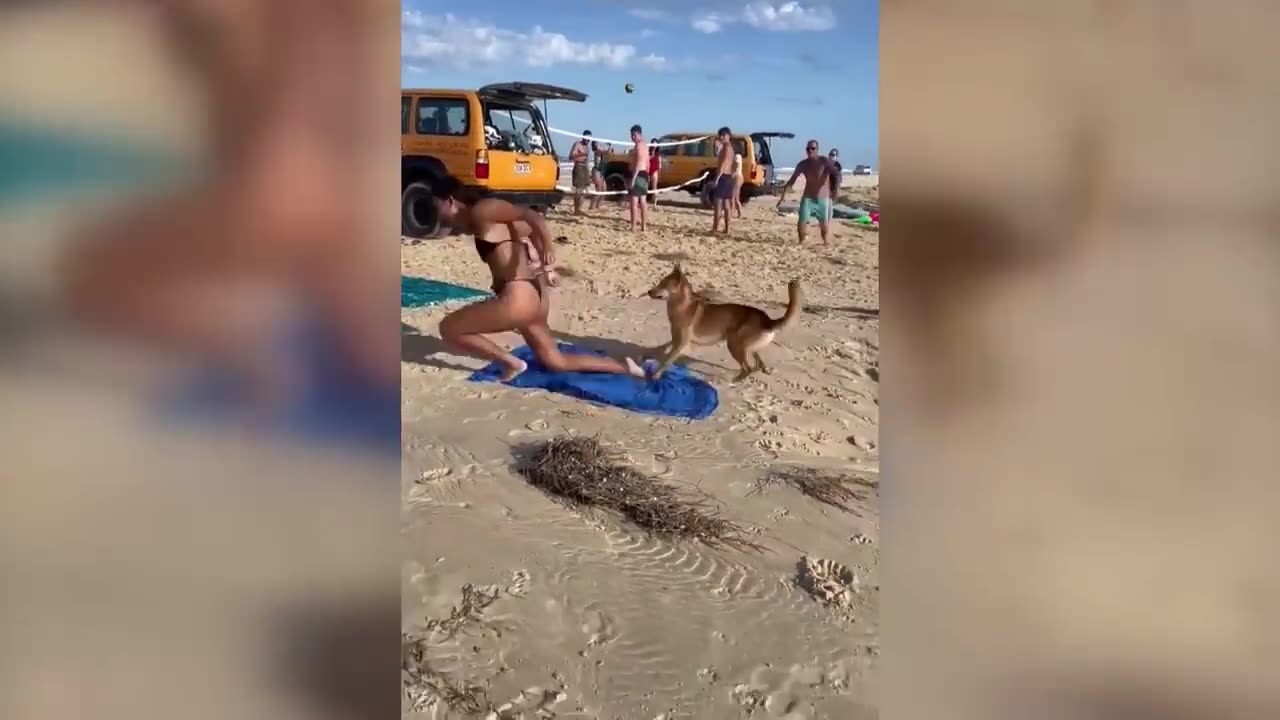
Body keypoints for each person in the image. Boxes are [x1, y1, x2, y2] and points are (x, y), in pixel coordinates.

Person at [431, 175, 644, 381]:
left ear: (450, 201)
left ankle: (511, 363)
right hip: (536, 296)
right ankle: (625, 368)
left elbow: (531, 217)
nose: (434, 213)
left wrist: (547, 251)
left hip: (518, 299)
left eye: (435, 206)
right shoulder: (482, 222)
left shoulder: (483, 210)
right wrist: (539, 267)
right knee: (555, 361)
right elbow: (526, 230)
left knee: (449, 329)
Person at [775, 139, 840, 245]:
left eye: (812, 148)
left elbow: (836, 174)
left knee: (824, 225)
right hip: (808, 197)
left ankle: (826, 242)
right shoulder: (803, 164)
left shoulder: (824, 161)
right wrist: (782, 197)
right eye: (808, 149)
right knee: (802, 221)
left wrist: (835, 190)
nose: (810, 151)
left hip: (823, 198)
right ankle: (801, 241)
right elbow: (791, 181)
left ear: (817, 150)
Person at [710, 127, 735, 235]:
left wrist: (717, 179)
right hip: (728, 177)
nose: (721, 137)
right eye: (720, 135)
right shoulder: (729, 148)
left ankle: (715, 228)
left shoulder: (726, 148)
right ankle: (727, 229)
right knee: (726, 204)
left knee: (718, 204)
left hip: (723, 177)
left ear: (728, 135)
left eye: (723, 135)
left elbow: (723, 164)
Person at [626, 124, 649, 231]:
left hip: (639, 174)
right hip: (644, 174)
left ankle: (633, 226)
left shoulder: (639, 146)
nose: (632, 137)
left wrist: (634, 179)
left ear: (639, 134)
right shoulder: (645, 145)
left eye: (634, 135)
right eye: (631, 135)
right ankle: (644, 226)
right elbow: (647, 162)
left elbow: (639, 164)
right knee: (643, 201)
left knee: (634, 202)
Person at [569, 130, 592, 215]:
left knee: (584, 190)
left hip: (585, 167)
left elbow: (587, 160)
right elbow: (571, 156)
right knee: (578, 190)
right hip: (578, 166)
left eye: (589, 138)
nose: (588, 140)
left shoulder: (588, 147)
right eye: (587, 137)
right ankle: (576, 209)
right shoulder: (577, 144)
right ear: (583, 137)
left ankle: (579, 209)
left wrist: (589, 172)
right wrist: (581, 155)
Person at [589, 140, 608, 211]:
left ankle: (597, 205)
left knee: (604, 190)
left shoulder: (600, 151)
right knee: (598, 190)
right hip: (597, 171)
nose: (598, 144)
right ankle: (592, 206)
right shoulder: (597, 152)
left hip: (601, 171)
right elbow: (598, 163)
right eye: (597, 143)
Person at [730, 145, 745, 218]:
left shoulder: (737, 156)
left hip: (736, 177)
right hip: (737, 176)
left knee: (733, 197)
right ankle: (737, 212)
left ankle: (733, 213)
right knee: (735, 197)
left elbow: (736, 164)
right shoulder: (737, 156)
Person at [647, 145, 661, 211]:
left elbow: (660, 166)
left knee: (654, 189)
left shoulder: (658, 156)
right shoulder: (648, 154)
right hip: (647, 172)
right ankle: (643, 203)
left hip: (654, 172)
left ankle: (655, 204)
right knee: (644, 188)